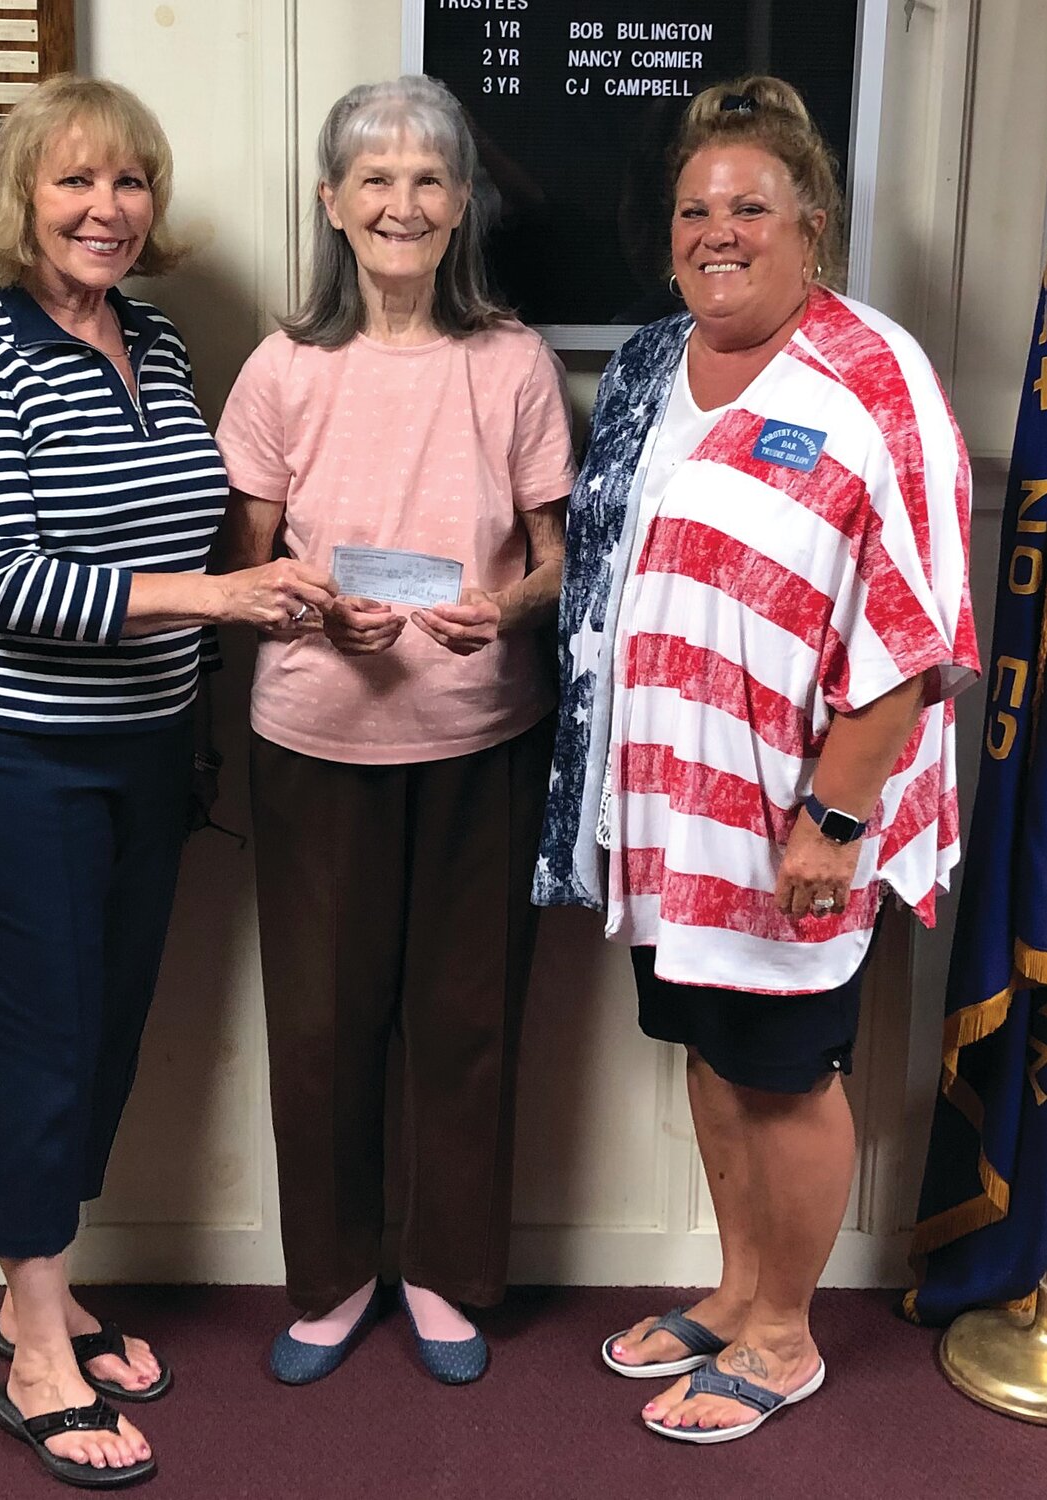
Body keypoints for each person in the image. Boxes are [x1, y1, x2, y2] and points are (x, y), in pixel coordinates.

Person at [0, 75, 334, 1486]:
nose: (106, 208)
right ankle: (33, 1348)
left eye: (130, 182)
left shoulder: (150, 333)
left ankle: (53, 1280)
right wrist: (218, 600)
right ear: (21, 199)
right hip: (5, 751)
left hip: (144, 747)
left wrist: (307, 587)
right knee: (43, 1042)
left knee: (108, 1029)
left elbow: (196, 521)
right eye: (75, 182)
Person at [534, 76, 978, 1442]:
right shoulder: (655, 362)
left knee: (785, 1070)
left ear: (810, 227)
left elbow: (914, 627)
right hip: (669, 802)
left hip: (796, 810)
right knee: (713, 1053)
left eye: (749, 208)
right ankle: (736, 1291)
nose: (716, 230)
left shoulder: (869, 374)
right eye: (693, 209)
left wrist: (832, 823)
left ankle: (785, 1333)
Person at [216, 74, 575, 1386]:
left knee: (466, 1021)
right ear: (333, 203)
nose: (402, 202)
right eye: (375, 179)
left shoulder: (515, 361)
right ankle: (330, 1278)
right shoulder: (283, 367)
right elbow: (245, 572)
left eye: (427, 178)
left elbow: (552, 559)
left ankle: (442, 1275)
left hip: (482, 739)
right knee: (318, 1026)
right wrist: (312, 613)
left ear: (461, 201)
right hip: (315, 745)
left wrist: (508, 610)